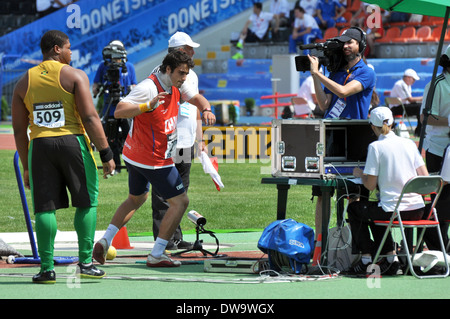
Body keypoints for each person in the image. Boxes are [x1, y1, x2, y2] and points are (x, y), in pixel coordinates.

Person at [11, 30, 116, 283]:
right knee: (86, 203)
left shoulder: (23, 82)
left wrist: (26, 167)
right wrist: (106, 153)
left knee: (44, 209)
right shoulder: (75, 75)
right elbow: (91, 118)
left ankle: (47, 269)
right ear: (56, 49)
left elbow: (18, 129)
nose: (71, 52)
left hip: (40, 147)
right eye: (68, 47)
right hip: (73, 143)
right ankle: (86, 264)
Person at [92, 50, 211, 267]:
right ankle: (157, 254)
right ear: (168, 69)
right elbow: (119, 111)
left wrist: (206, 108)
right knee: (180, 202)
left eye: (186, 74)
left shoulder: (177, 83)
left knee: (136, 199)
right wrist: (147, 106)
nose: (184, 78)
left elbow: (195, 97)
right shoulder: (149, 87)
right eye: (181, 73)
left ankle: (105, 240)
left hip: (135, 154)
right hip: (153, 158)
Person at [307, 26, 376, 241]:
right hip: (331, 134)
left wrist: (318, 73)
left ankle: (354, 245)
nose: (346, 46)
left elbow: (345, 91)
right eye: (343, 42)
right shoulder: (336, 72)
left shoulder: (367, 72)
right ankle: (321, 243)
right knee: (322, 192)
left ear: (361, 46)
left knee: (353, 195)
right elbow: (324, 103)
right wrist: (316, 78)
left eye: (351, 42)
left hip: (356, 136)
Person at [345, 106, 429, 276]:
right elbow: (425, 178)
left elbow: (369, 185)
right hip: (418, 210)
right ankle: (391, 259)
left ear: (372, 127)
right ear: (392, 123)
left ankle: (366, 260)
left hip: (394, 211)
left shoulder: (376, 147)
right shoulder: (409, 143)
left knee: (354, 209)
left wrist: (360, 173)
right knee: (376, 209)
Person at [151, 32, 209, 250]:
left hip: (185, 139)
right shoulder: (161, 73)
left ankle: (174, 237)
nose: (193, 52)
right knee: (162, 193)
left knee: (180, 192)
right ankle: (163, 240)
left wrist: (200, 139)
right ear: (179, 50)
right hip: (165, 139)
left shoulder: (190, 73)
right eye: (189, 48)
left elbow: (193, 106)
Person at [420, 46, 450, 251]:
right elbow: (425, 117)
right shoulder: (437, 83)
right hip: (438, 149)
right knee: (440, 203)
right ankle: (440, 248)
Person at [92, 40, 137, 173]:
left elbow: (134, 85)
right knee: (111, 139)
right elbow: (96, 85)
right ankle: (115, 166)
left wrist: (131, 90)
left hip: (125, 106)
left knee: (129, 137)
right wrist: (97, 88)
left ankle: (132, 166)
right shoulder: (103, 66)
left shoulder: (129, 66)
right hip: (110, 107)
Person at [389, 68, 423, 136]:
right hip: (396, 108)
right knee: (420, 107)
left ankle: (419, 130)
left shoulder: (406, 85)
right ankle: (419, 131)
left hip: (401, 106)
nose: (414, 81)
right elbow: (409, 99)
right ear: (408, 77)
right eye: (413, 79)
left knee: (421, 106)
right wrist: (423, 97)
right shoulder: (401, 84)